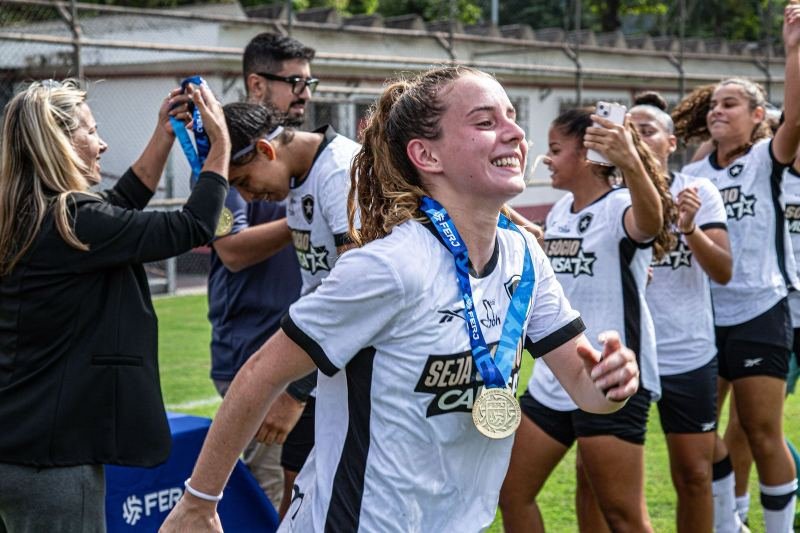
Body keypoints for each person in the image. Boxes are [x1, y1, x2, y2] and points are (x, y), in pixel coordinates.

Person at [160, 65, 640, 533]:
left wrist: (611, 381)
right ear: (426, 155)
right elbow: (261, 373)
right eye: (485, 122)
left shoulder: (525, 256)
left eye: (512, 117)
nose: (516, 134)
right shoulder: (389, 267)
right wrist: (200, 501)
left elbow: (586, 391)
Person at [0, 79, 229, 530]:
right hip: (52, 460)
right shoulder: (72, 221)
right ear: (58, 144)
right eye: (90, 131)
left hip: (16, 441)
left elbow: (119, 204)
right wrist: (220, 146)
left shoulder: (26, 214)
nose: (101, 143)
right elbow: (193, 226)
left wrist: (164, 134)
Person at [499, 106, 673, 533]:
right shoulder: (562, 210)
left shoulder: (620, 205)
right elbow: (546, 245)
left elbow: (651, 224)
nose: (547, 159)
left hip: (612, 377)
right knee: (512, 493)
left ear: (587, 154)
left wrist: (630, 162)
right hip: (555, 378)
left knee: (622, 517)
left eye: (556, 149)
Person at [675, 5, 800, 531]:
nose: (717, 111)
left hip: (759, 310)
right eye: (714, 105)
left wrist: (793, 49)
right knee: (703, 433)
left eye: (730, 104)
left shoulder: (765, 159)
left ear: (757, 114)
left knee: (761, 432)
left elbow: (796, 119)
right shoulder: (695, 173)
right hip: (705, 316)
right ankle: (731, 523)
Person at [222, 100, 360, 518]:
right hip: (321, 368)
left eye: (244, 182)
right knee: (296, 503)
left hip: (356, 372)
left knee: (344, 509)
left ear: (266, 150)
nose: (247, 196)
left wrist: (296, 391)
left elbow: (357, 294)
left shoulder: (340, 171)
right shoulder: (301, 175)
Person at [206, 31, 314, 510]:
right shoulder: (226, 153)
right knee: (270, 503)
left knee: (310, 494)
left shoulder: (314, 156)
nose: (304, 93)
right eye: (294, 82)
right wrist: (307, 221)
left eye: (309, 82)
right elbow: (230, 249)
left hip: (309, 355)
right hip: (254, 354)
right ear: (256, 84)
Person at [631, 92, 733, 532]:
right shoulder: (607, 197)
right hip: (625, 358)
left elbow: (723, 270)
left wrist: (689, 228)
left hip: (686, 353)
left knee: (693, 474)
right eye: (629, 131)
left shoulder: (697, 191)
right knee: (598, 476)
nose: (636, 139)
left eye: (647, 131)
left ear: (671, 143)